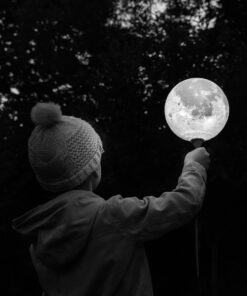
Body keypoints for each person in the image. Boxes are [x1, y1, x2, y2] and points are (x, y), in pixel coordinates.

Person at [12, 102, 210, 296]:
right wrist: (194, 166)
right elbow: (185, 203)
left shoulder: (41, 236)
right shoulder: (112, 216)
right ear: (92, 169)